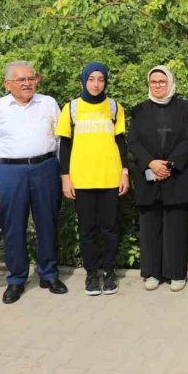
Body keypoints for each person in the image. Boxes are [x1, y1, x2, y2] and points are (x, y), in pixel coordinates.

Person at [0, 61, 67, 304]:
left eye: (31, 78)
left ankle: (48, 274)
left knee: (47, 223)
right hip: (9, 171)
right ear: (8, 84)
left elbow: (60, 141)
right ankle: (16, 279)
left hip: (45, 169)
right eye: (21, 80)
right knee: (13, 227)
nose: (28, 83)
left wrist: (63, 174)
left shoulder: (48, 103)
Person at [56, 62, 129, 297]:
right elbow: (64, 146)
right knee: (87, 229)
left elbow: (121, 143)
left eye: (101, 79)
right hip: (82, 180)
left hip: (110, 177)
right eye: (91, 79)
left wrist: (124, 172)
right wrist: (65, 178)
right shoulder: (72, 108)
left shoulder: (114, 107)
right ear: (84, 80)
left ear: (106, 81)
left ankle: (108, 272)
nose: (96, 84)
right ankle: (91, 274)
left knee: (109, 228)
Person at [128, 66, 188, 293]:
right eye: (153, 81)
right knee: (150, 227)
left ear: (170, 82)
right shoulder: (139, 110)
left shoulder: (185, 108)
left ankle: (176, 273)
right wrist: (151, 163)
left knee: (176, 226)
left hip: (176, 175)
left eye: (162, 81)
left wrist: (168, 165)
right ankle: (151, 273)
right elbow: (134, 142)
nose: (157, 85)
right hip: (149, 176)